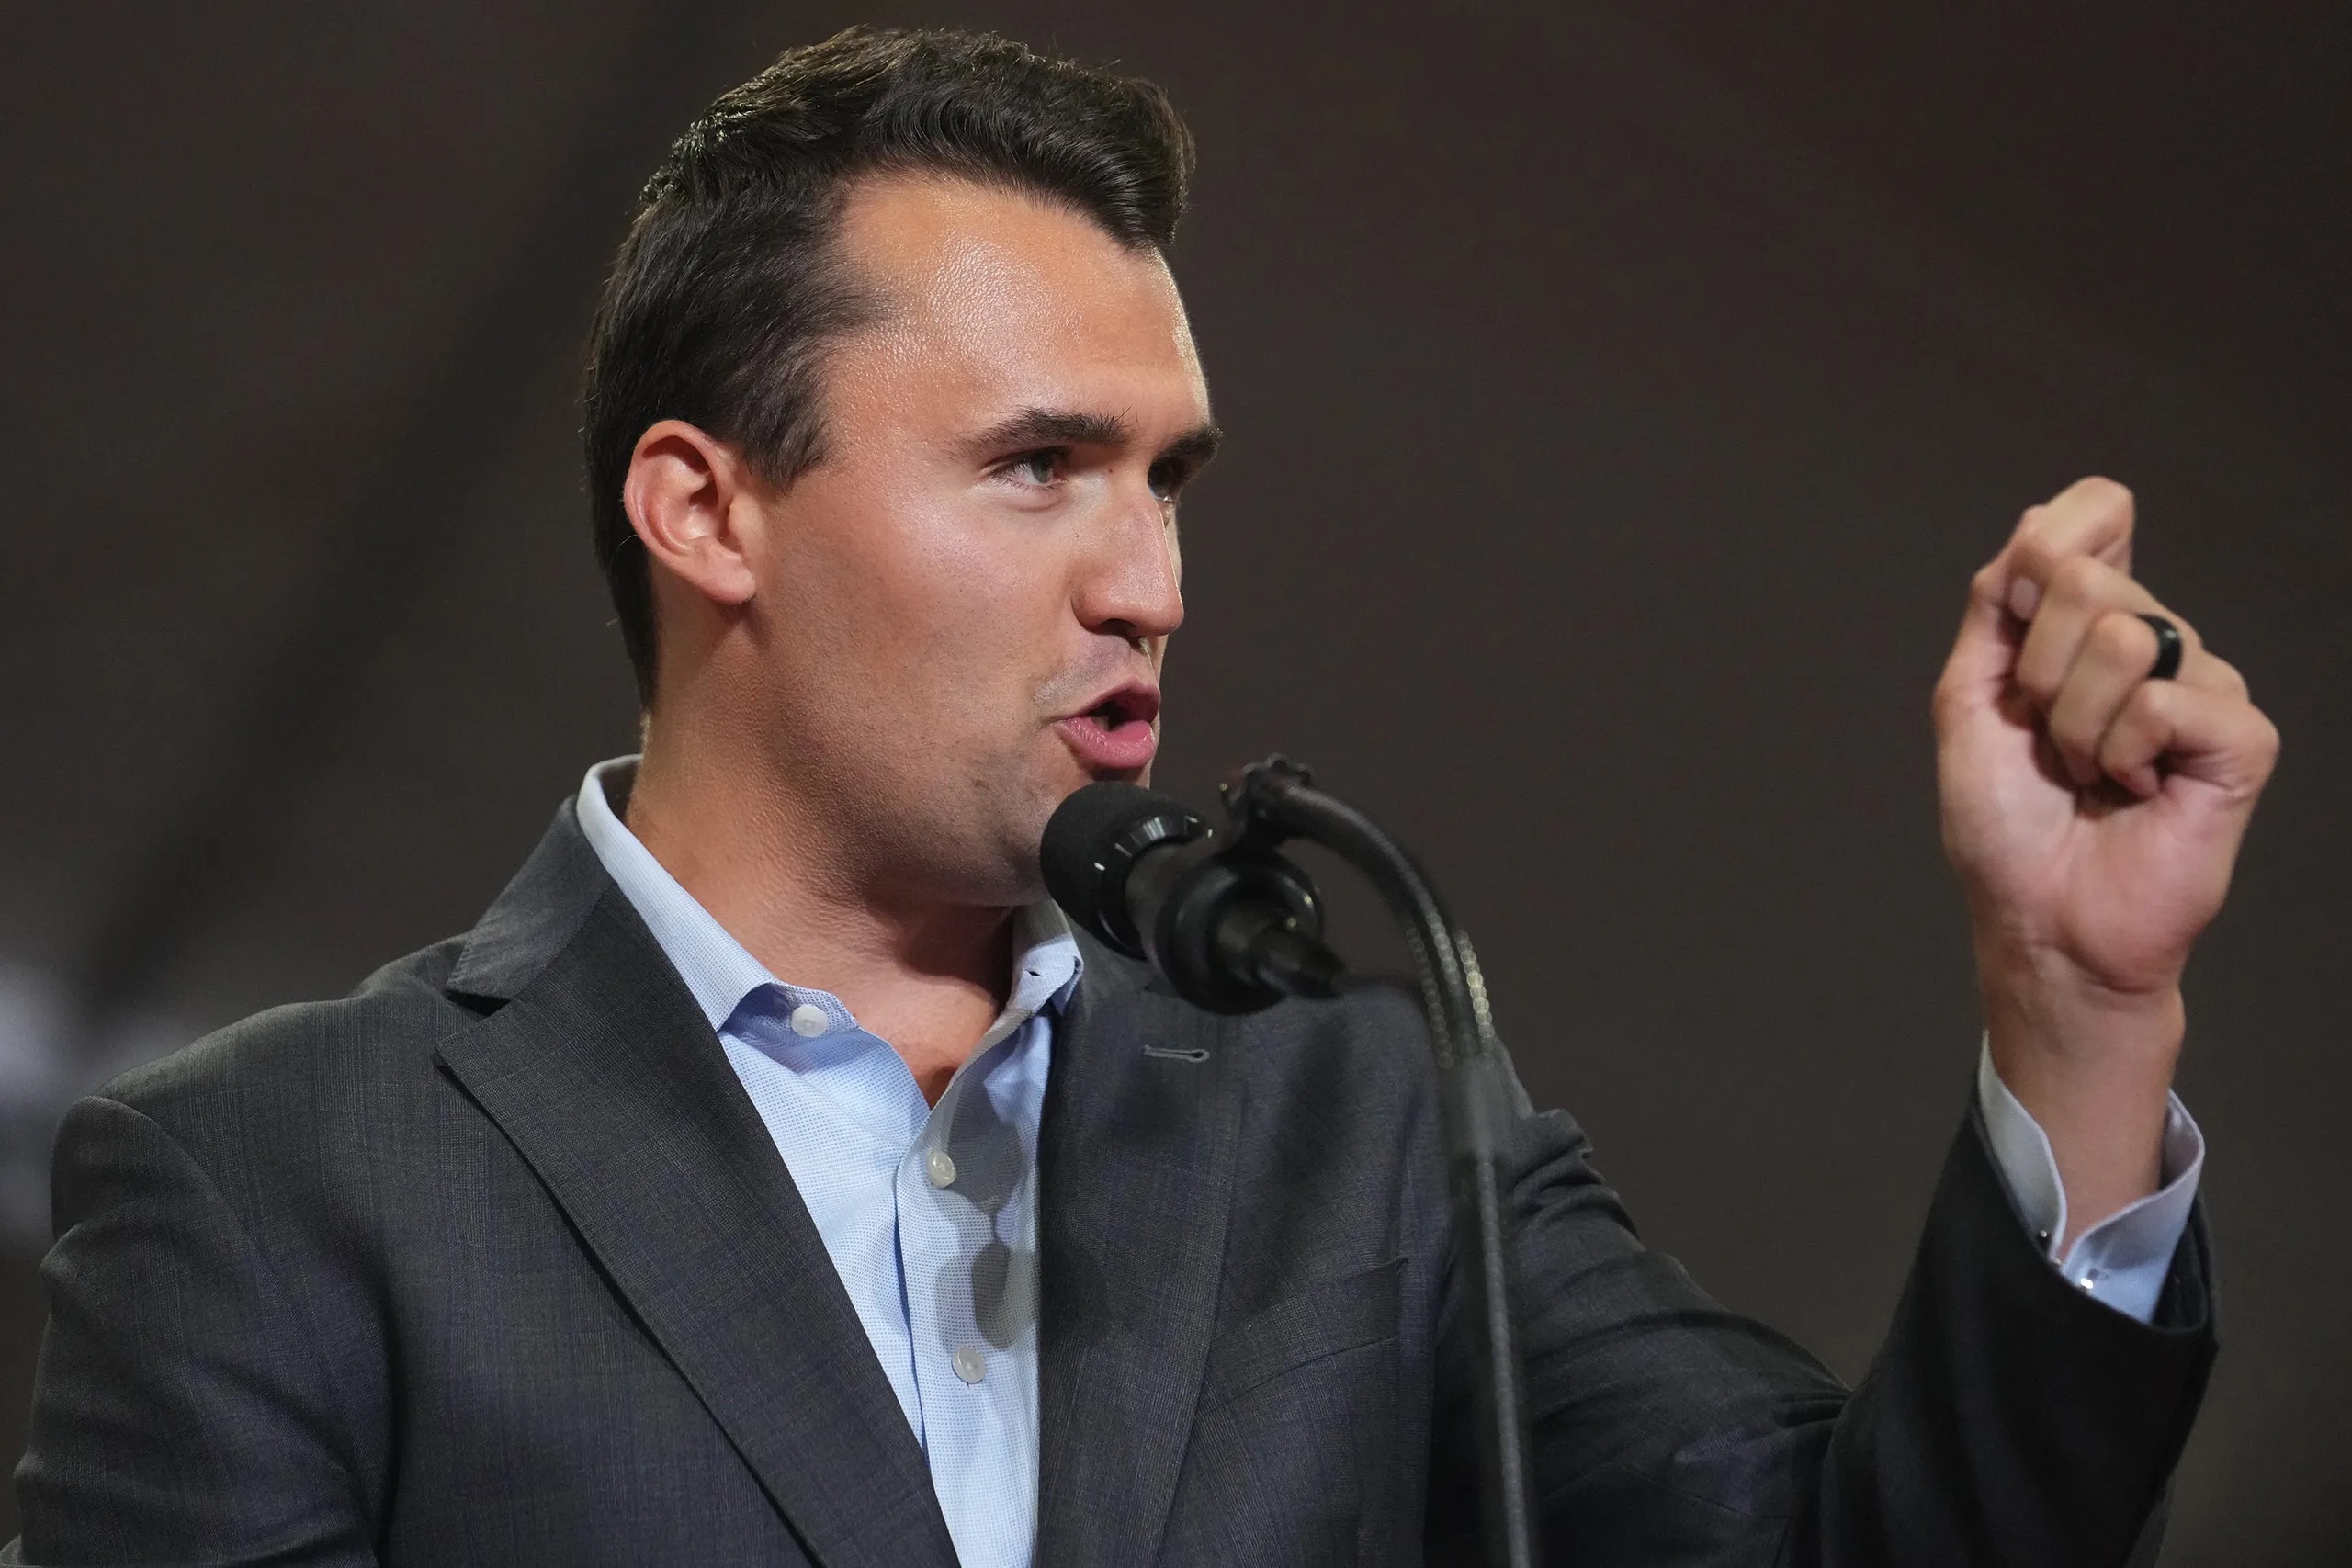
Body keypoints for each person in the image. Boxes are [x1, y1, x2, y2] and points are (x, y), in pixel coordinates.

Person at [6, 26, 2278, 1568]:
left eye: (1166, 476)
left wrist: (2076, 997)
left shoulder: (1353, 1114)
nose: (1153, 579)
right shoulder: (276, 1181)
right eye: (1038, 468)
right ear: (708, 512)